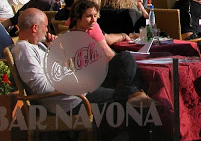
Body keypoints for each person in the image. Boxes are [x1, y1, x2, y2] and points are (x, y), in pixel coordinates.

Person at [12, 8, 149, 116]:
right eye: (46, 26)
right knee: (128, 97)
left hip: (81, 89)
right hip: (73, 100)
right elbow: (41, 86)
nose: (47, 30)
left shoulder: (38, 46)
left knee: (124, 58)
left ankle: (136, 96)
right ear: (35, 28)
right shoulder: (24, 49)